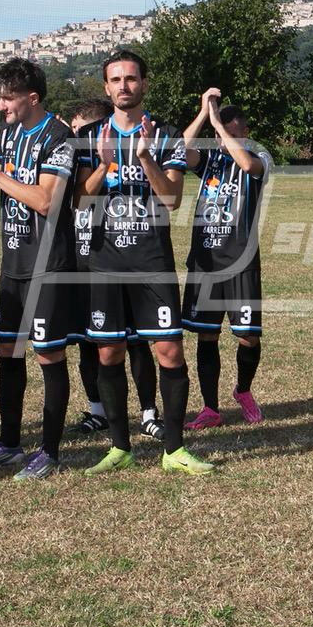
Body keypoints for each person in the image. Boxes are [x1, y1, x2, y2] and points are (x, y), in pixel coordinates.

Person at [74, 49, 213, 475]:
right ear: (106, 87)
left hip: (151, 260)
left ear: (144, 84)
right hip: (105, 262)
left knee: (169, 351)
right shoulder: (90, 135)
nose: (124, 86)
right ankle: (120, 447)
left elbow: (171, 199)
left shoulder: (166, 135)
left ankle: (174, 449)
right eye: (116, 79)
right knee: (109, 353)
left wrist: (145, 157)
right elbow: (79, 200)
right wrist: (104, 164)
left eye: (131, 78)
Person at [0, 59, 75, 480]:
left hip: (48, 264)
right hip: (14, 261)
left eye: (7, 98)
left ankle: (50, 451)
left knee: (48, 353)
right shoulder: (7, 135)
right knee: (7, 351)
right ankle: (9, 443)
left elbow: (45, 201)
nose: (0, 106)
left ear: (33, 98)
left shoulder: (60, 137)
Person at [67, 100, 162, 441]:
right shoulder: (76, 160)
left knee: (136, 341)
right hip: (84, 264)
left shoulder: (117, 154)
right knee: (88, 343)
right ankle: (98, 411)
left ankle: (149, 412)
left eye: (80, 130)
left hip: (121, 259)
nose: (76, 137)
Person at [180, 88, 270, 430]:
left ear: (245, 132)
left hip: (241, 262)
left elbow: (246, 164)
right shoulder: (210, 160)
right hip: (205, 262)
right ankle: (210, 408)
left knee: (248, 336)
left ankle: (243, 390)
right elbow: (178, 151)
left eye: (230, 133)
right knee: (206, 335)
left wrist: (219, 125)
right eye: (219, 134)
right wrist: (204, 114)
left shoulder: (259, 156)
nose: (221, 139)